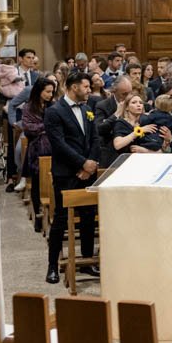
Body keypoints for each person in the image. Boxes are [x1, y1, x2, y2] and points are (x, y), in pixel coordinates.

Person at [44, 72, 100, 284]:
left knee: (88, 215)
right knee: (60, 219)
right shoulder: (54, 111)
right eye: (86, 86)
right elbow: (58, 144)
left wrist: (91, 164)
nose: (89, 90)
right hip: (66, 172)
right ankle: (52, 266)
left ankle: (86, 261)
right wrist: (81, 163)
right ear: (73, 87)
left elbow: (95, 139)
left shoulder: (87, 110)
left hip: (87, 172)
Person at [20, 77, 56, 232]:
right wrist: (47, 127)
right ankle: (38, 214)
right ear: (39, 91)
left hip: (53, 148)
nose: (50, 95)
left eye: (52, 92)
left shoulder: (53, 106)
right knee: (37, 183)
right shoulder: (29, 107)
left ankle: (52, 211)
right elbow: (28, 128)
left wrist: (45, 128)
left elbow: (57, 126)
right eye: (47, 92)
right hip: (36, 149)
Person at [93, 75, 134, 166]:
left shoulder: (135, 103)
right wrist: (116, 114)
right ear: (114, 91)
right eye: (124, 94)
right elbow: (98, 129)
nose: (128, 97)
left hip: (132, 150)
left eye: (130, 93)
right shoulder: (102, 105)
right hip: (111, 153)